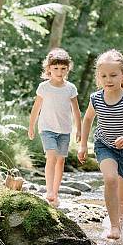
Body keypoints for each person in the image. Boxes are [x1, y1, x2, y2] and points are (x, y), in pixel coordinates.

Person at [78, 49, 123, 240]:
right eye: (104, 75)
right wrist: (83, 145)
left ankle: (120, 226)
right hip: (104, 145)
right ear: (99, 77)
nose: (109, 79)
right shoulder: (96, 98)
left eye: (113, 75)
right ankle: (114, 226)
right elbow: (87, 119)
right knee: (110, 179)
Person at [29, 48, 81, 207]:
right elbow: (36, 108)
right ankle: (49, 191)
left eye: (63, 68)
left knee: (60, 161)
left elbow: (76, 111)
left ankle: (55, 194)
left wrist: (79, 129)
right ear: (49, 68)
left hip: (64, 130)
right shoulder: (44, 87)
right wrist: (31, 126)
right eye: (56, 68)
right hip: (47, 129)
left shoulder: (70, 88)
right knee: (51, 157)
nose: (59, 71)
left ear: (68, 69)